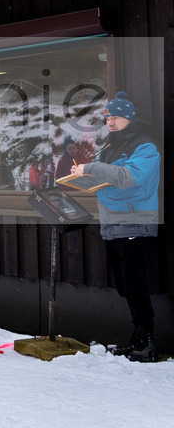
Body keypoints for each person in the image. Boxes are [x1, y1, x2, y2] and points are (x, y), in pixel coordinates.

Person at [70, 92, 161, 362]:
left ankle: (147, 340)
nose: (110, 122)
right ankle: (137, 336)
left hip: (136, 221)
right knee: (124, 285)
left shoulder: (145, 147)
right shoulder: (109, 148)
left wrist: (93, 167)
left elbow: (127, 177)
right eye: (108, 117)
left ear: (130, 118)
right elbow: (103, 179)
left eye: (116, 117)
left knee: (135, 284)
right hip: (111, 223)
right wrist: (81, 175)